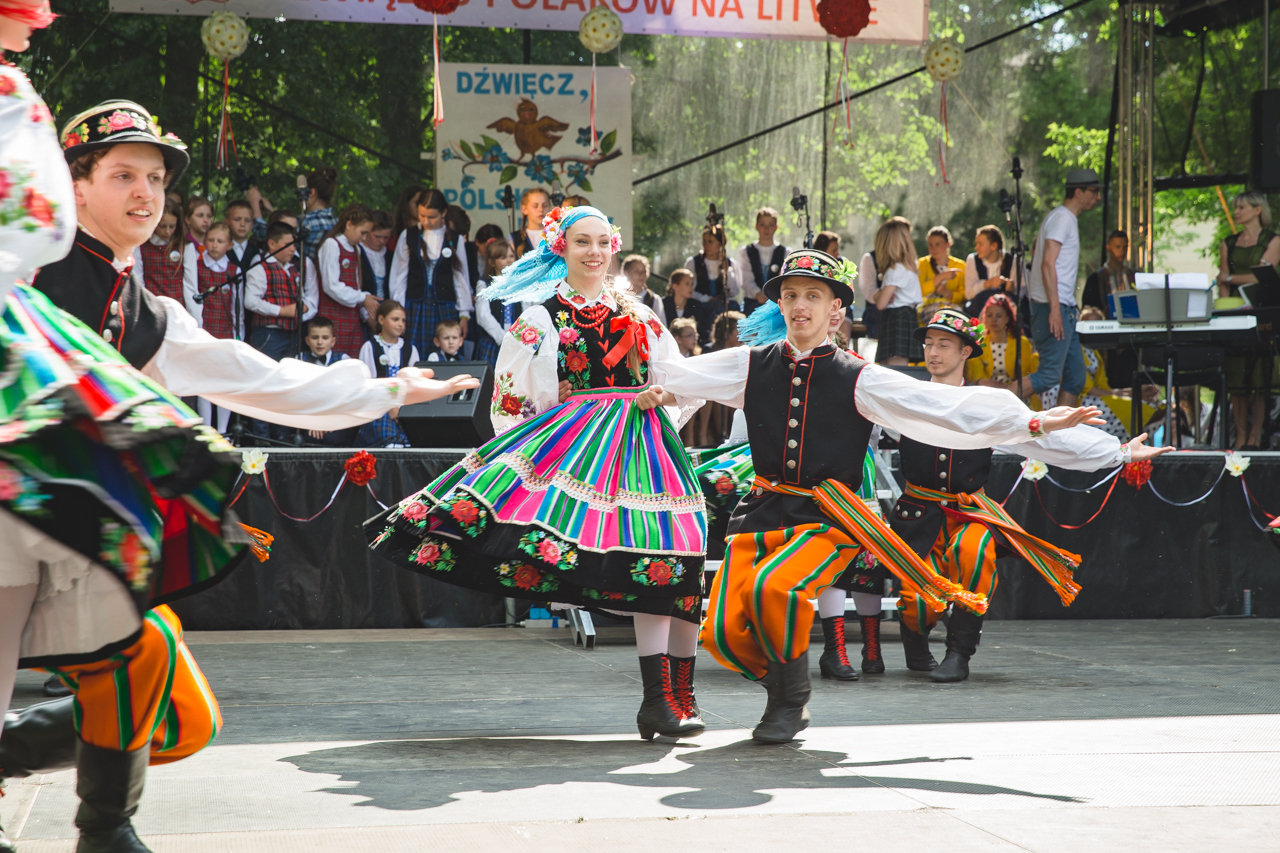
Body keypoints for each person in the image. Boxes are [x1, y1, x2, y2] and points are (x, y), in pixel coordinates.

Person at [14, 93, 479, 853]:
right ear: (75, 184)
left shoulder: (150, 313)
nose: (146, 194)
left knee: (146, 669)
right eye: (124, 175)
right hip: (12, 512)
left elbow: (266, 380)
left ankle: (102, 827)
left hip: (73, 526)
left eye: (156, 180)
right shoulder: (22, 267)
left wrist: (392, 388)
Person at [645, 248, 1109, 743]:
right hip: (761, 510)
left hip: (828, 517)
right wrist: (649, 392)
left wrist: (1043, 425)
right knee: (723, 631)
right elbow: (681, 380)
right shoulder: (750, 364)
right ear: (780, 304)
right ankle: (783, 684)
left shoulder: (859, 376)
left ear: (835, 310)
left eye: (813, 296)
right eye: (791, 296)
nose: (800, 305)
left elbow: (944, 409)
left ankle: (788, 702)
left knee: (772, 590)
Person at [369, 205, 713, 744]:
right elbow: (514, 405)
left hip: (647, 445)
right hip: (579, 450)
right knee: (652, 563)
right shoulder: (540, 318)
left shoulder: (642, 315)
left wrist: (660, 399)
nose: (595, 252)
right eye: (582, 242)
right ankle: (657, 699)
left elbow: (682, 380)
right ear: (561, 248)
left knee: (678, 560)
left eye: (603, 241)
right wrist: (550, 454)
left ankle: (679, 695)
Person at [892, 307, 1168, 682]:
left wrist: (1118, 452)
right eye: (928, 344)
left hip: (969, 511)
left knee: (973, 554)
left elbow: (1045, 435)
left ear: (965, 352)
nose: (933, 352)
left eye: (944, 344)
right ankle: (915, 636)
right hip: (917, 512)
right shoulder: (906, 397)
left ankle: (959, 654)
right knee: (916, 600)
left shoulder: (985, 405)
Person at [1027, 168, 1101, 409]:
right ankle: (995, 408)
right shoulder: (1062, 218)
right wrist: (1055, 309)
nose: (1097, 197)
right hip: (1053, 306)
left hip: (1062, 307)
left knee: (1076, 378)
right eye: (1094, 191)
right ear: (1079, 192)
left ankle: (1059, 436)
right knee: (1048, 375)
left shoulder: (1063, 218)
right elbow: (1048, 263)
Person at [1216, 192, 1280, 450]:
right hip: (1235, 313)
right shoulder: (1228, 243)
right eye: (1235, 207)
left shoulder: (1273, 240)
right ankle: (1240, 435)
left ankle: (1256, 434)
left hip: (1262, 314)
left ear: (1257, 210)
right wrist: (1224, 305)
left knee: (1259, 377)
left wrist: (1230, 279)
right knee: (1237, 379)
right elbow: (1222, 281)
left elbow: (1260, 277)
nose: (1236, 212)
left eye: (1242, 207)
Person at [389, 189, 474, 359]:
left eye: (432, 217)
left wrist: (464, 314)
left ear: (443, 213)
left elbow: (460, 278)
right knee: (415, 354)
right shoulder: (409, 235)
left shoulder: (455, 239)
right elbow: (398, 276)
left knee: (446, 352)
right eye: (422, 215)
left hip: (445, 306)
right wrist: (398, 311)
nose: (426, 221)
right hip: (415, 306)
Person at [183, 221, 241, 434]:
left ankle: (224, 431)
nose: (215, 245)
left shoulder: (235, 271)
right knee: (204, 382)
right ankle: (207, 429)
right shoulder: (197, 266)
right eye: (211, 240)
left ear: (230, 245)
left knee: (224, 382)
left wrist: (238, 333)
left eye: (220, 241)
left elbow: (237, 307)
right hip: (204, 328)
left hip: (225, 330)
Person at [245, 220, 319, 362]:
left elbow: (307, 296)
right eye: (287, 245)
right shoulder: (261, 265)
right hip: (269, 333)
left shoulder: (294, 268)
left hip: (293, 333)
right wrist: (281, 311)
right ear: (272, 244)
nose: (293, 249)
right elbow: (251, 301)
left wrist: (304, 308)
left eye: (294, 244)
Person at [317, 203, 381, 359]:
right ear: (349, 224)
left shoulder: (356, 249)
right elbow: (331, 285)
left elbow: (355, 285)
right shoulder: (332, 244)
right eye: (363, 232)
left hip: (351, 318)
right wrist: (362, 297)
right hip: (333, 316)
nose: (365, 238)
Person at [859, 216, 922, 366]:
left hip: (897, 320)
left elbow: (880, 304)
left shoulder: (896, 270)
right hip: (900, 318)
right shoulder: (905, 267)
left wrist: (882, 294)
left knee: (896, 368)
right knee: (891, 366)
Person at [357, 300, 419, 448]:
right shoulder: (370, 347)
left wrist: (400, 408)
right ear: (381, 320)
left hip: (404, 407)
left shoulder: (410, 349)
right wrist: (389, 407)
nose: (400, 324)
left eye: (403, 320)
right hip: (378, 407)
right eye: (395, 319)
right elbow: (367, 384)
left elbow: (414, 384)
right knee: (388, 439)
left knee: (410, 441)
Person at [298, 317, 357, 447]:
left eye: (325, 338)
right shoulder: (300, 359)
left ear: (333, 341)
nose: (320, 342)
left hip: (337, 416)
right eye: (315, 337)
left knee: (334, 439)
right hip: (309, 417)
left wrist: (330, 422)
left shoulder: (343, 361)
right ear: (307, 340)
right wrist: (314, 421)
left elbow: (347, 396)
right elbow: (300, 396)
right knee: (310, 438)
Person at [966, 293, 1037, 397]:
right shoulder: (980, 344)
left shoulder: (1022, 343)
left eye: (998, 316)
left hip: (1017, 393)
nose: (994, 319)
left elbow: (1024, 377)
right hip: (987, 393)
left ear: (1007, 319)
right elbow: (977, 378)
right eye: (990, 315)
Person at [474, 239, 524, 369]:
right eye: (503, 257)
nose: (509, 260)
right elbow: (483, 316)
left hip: (517, 341)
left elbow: (527, 312)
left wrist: (517, 338)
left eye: (511, 256)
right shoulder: (484, 284)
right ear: (492, 262)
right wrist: (503, 339)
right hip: (494, 341)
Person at [962, 223, 1018, 321]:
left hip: (1005, 309)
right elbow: (968, 294)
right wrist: (987, 284)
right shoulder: (973, 260)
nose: (976, 248)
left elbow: (1022, 291)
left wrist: (1012, 288)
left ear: (994, 246)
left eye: (980, 244)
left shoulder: (1012, 260)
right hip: (980, 308)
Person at [737, 207, 788, 310]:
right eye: (762, 224)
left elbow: (784, 277)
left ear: (776, 227)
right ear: (756, 226)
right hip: (752, 304)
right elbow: (746, 279)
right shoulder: (746, 251)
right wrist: (757, 294)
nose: (766, 229)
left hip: (775, 304)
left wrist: (771, 295)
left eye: (771, 225)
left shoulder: (785, 252)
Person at [684, 222, 741, 313]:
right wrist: (708, 299)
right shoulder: (693, 262)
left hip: (722, 310)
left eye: (710, 241)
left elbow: (733, 292)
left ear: (720, 244)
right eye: (704, 241)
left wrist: (726, 271)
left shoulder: (730, 263)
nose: (706, 245)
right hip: (700, 308)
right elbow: (688, 291)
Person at [136, 196, 184, 303]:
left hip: (178, 306)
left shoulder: (183, 246)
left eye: (172, 227)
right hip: (152, 304)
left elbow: (190, 285)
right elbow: (138, 280)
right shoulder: (141, 245)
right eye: (162, 226)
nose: (167, 231)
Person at [916, 225, 966, 323]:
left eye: (937, 244)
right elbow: (919, 291)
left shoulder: (960, 265)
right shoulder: (923, 263)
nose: (933, 248)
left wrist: (948, 293)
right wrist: (942, 277)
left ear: (948, 244)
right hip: (928, 307)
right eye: (930, 244)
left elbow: (964, 296)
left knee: (957, 318)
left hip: (953, 307)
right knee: (940, 317)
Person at [1081, 229, 1134, 319]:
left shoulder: (1133, 276)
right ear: (1108, 248)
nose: (1122, 251)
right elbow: (1088, 310)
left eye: (1125, 247)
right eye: (1117, 247)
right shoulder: (1095, 279)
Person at [299, 166, 338, 262]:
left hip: (306, 275)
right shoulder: (337, 222)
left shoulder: (306, 222)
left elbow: (276, 237)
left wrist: (256, 207)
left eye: (300, 191)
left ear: (311, 192)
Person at [359, 208, 395, 310]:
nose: (382, 241)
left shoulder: (390, 256)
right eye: (377, 237)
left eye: (386, 237)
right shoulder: (358, 252)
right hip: (363, 309)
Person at [663, 268, 710, 344]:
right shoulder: (663, 304)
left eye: (692, 284)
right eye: (687, 284)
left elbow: (703, 332)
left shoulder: (696, 306)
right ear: (675, 286)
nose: (691, 288)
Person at [620, 254, 667, 326]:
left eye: (643, 272)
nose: (641, 275)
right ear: (626, 273)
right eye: (636, 271)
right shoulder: (620, 297)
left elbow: (662, 327)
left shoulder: (654, 300)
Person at [510, 187, 551, 258]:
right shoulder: (514, 238)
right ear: (524, 209)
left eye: (545, 205)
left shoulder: (558, 234)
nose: (540, 209)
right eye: (535, 206)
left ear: (550, 207)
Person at [224, 198, 260, 274]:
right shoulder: (221, 250)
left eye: (247, 220)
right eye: (237, 219)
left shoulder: (258, 252)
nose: (242, 224)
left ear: (252, 225)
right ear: (227, 222)